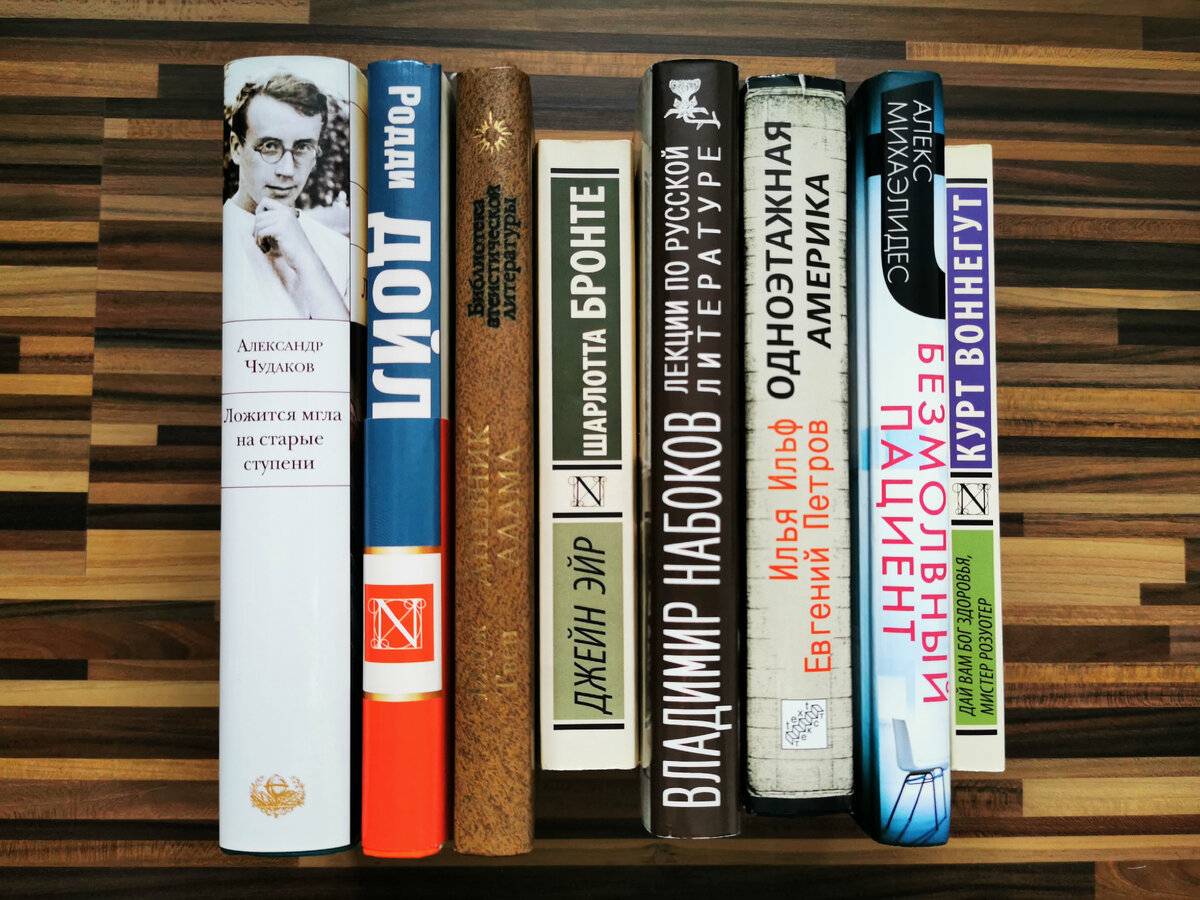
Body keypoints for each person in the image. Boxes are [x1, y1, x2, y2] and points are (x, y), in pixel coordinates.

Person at [223, 74, 350, 321]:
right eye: (270, 146)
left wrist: (305, 257)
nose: (287, 170)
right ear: (237, 148)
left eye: (303, 147)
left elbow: (345, 344)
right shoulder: (218, 240)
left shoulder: (341, 251)